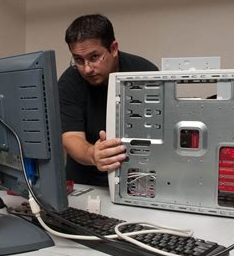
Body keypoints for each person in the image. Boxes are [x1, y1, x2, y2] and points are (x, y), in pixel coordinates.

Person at [58, 14, 159, 187]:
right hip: (83, 184)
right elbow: (71, 137)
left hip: (136, 181)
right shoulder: (70, 81)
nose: (87, 69)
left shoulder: (145, 73)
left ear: (113, 48)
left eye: (94, 57)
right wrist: (92, 154)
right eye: (78, 60)